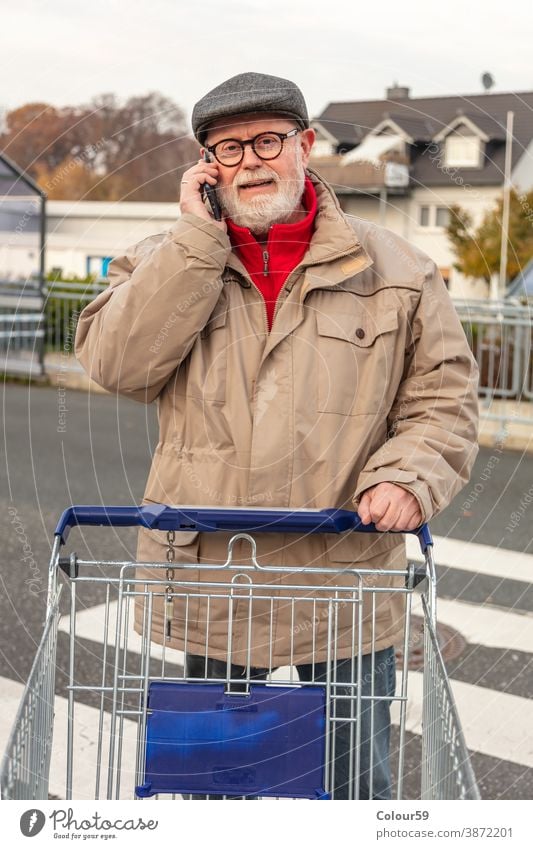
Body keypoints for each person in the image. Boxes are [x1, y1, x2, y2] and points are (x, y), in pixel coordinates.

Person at [75, 72, 479, 800]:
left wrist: (407, 476)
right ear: (205, 167)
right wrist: (197, 242)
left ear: (305, 145)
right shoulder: (164, 258)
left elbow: (443, 398)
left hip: (345, 582)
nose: (250, 161)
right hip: (214, 578)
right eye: (227, 148)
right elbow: (117, 363)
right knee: (218, 788)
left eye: (268, 139)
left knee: (356, 787)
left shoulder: (398, 268)